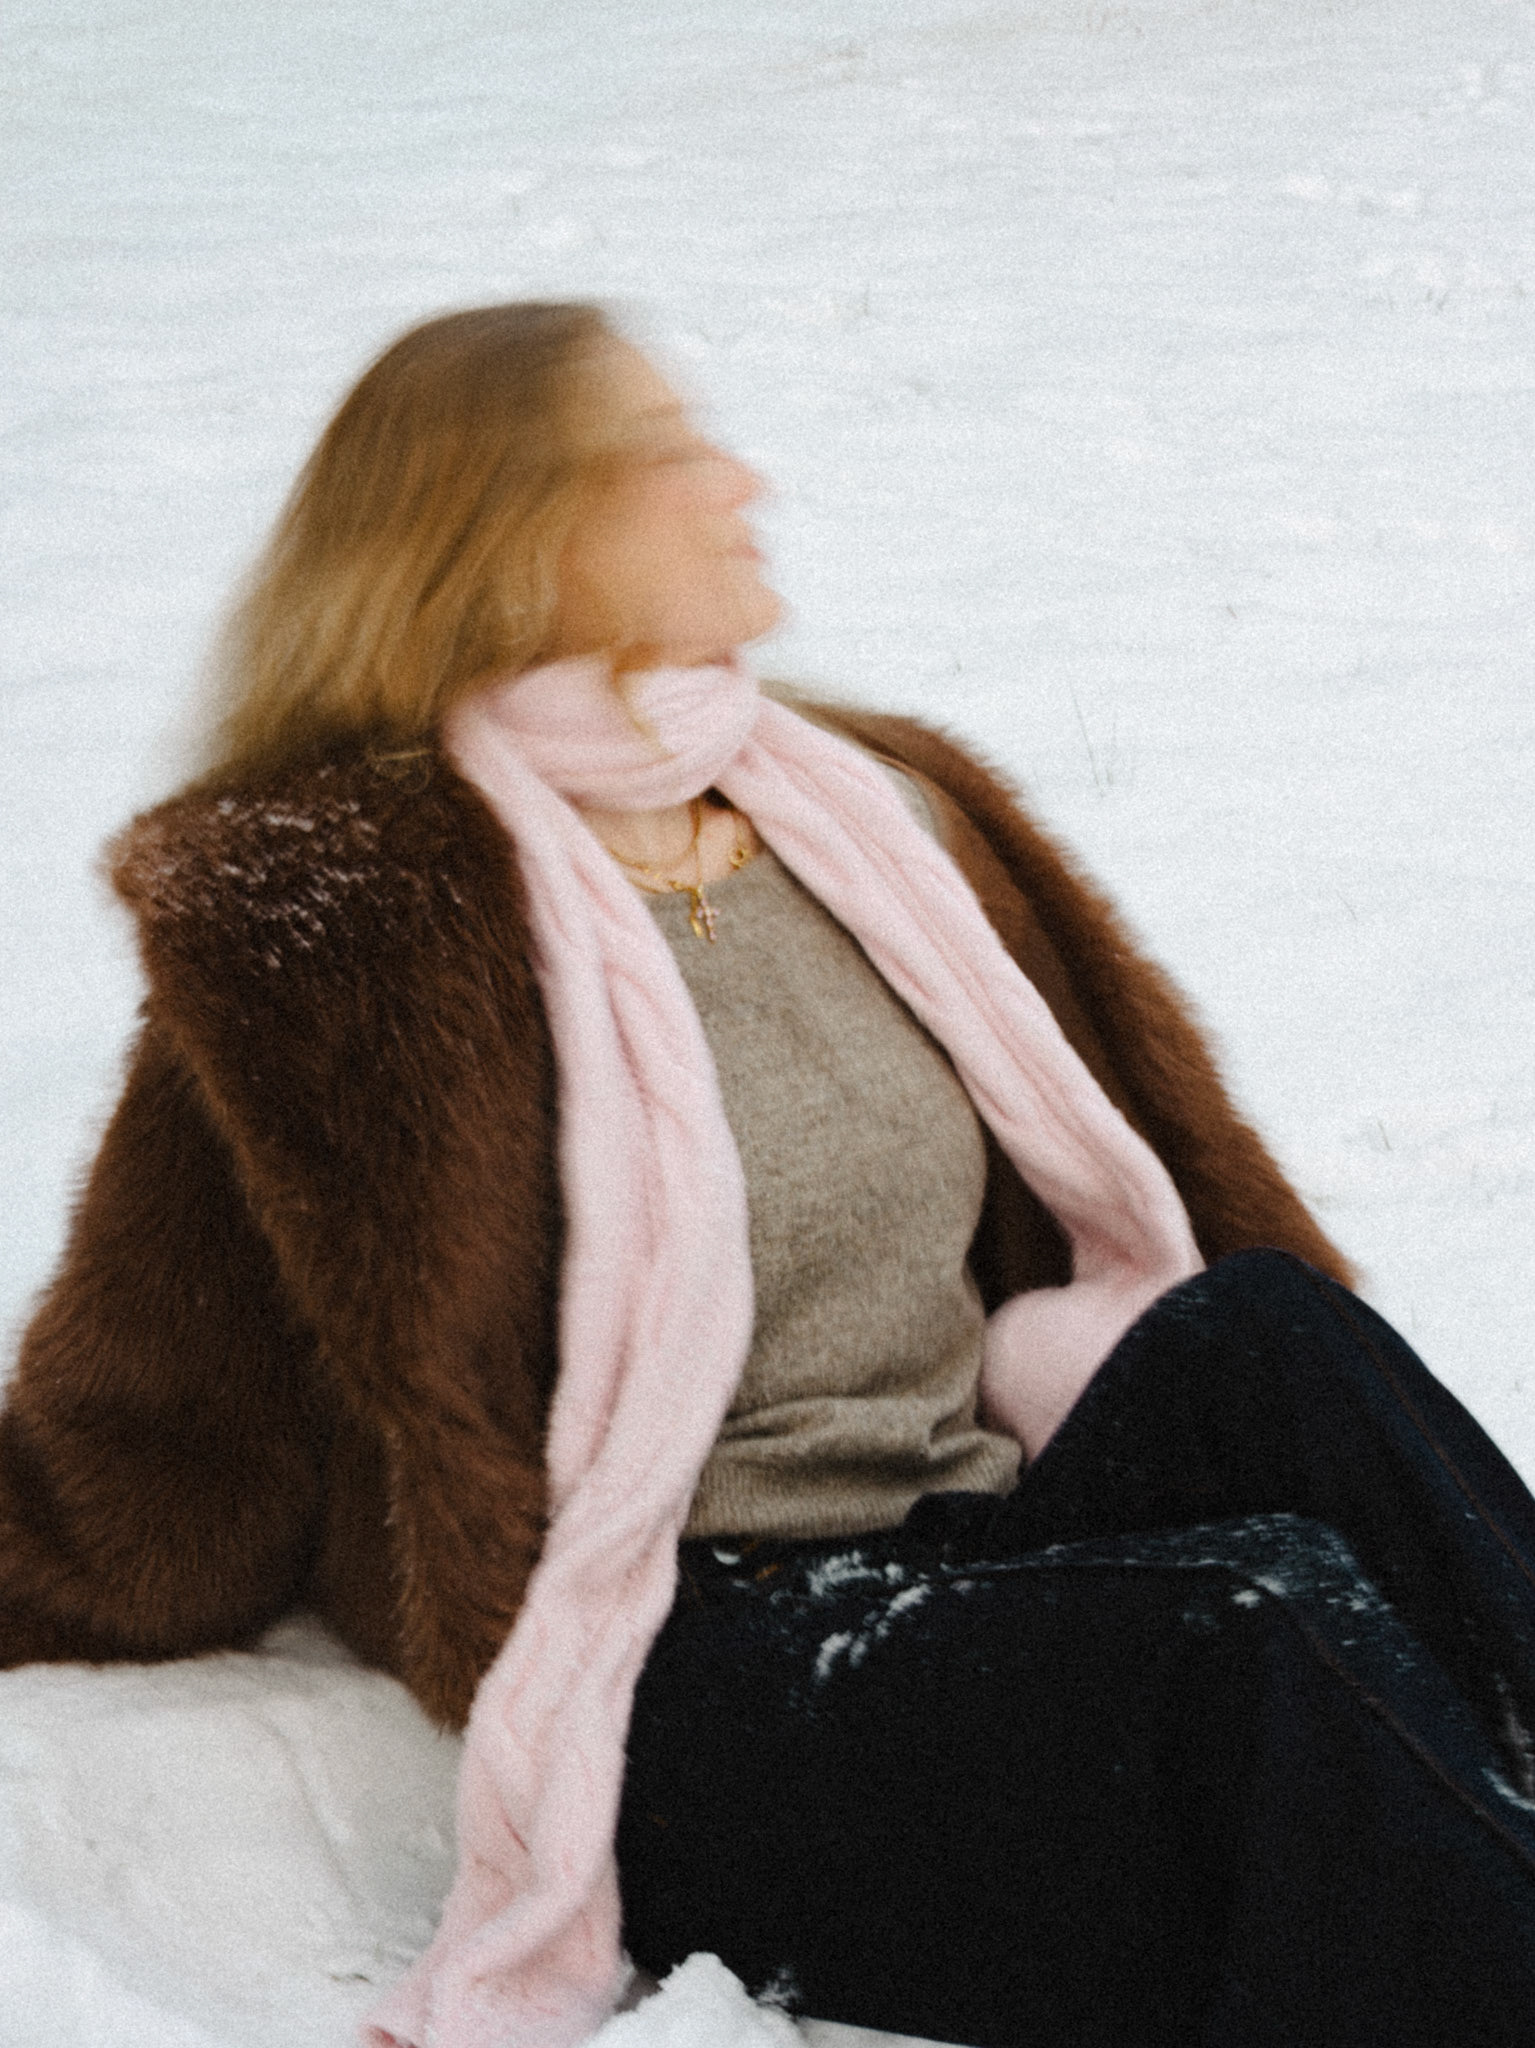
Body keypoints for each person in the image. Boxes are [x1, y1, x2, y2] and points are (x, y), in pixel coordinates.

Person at [3, 301, 1534, 2048]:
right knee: (1258, 1631)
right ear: (511, 538)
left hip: (976, 1541)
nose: (740, 482)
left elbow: (1188, 1204)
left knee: (1264, 1336)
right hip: (696, 1681)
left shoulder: (880, 818)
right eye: (661, 454)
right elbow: (160, 1424)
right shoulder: (350, 934)